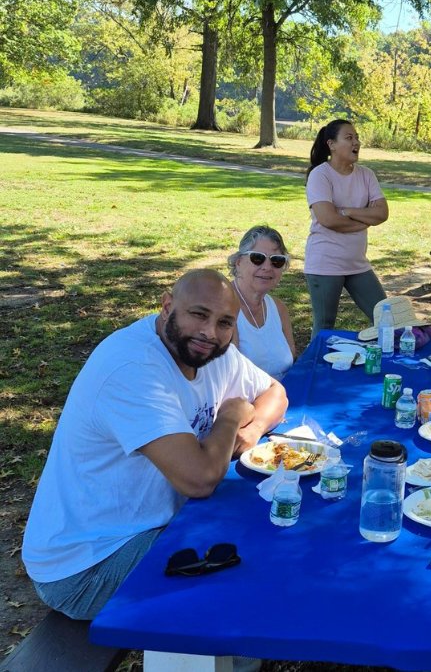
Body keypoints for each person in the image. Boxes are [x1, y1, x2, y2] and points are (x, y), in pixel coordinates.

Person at [22, 270, 288, 620]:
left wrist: (250, 433)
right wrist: (230, 416)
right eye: (199, 315)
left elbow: (276, 394)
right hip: (88, 563)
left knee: (262, 525)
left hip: (150, 525)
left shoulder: (212, 352)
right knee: (242, 574)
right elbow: (200, 479)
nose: (210, 332)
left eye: (225, 322)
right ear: (166, 306)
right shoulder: (133, 368)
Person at [304, 119, 389, 335]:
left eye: (357, 138)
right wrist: (365, 221)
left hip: (357, 264)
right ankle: (315, 368)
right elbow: (328, 219)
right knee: (324, 327)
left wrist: (348, 211)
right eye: (349, 138)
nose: (356, 143)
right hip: (325, 263)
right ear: (331, 144)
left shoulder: (366, 175)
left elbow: (382, 213)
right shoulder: (320, 175)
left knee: (386, 318)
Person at [228, 225, 296, 380]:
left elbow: (291, 359)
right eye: (257, 258)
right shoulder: (224, 308)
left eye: (277, 261)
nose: (267, 267)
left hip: (282, 396)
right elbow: (230, 377)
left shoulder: (278, 308)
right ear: (239, 262)